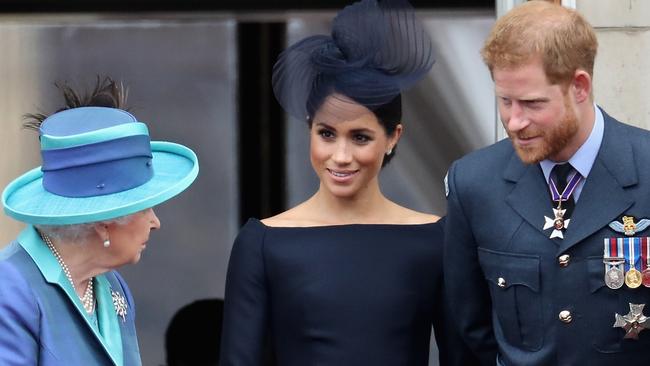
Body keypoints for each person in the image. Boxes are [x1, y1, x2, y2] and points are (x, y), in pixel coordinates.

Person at [220, 1, 477, 365]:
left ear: (392, 137)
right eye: (327, 134)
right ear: (309, 128)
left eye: (360, 137)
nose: (340, 155)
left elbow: (463, 357)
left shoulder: (436, 240)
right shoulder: (262, 242)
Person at [444, 1, 650, 365]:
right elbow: (466, 334)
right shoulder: (474, 183)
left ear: (580, 87)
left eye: (532, 103)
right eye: (504, 101)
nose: (514, 121)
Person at [0, 77, 199, 365]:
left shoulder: (110, 285)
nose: (155, 223)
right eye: (145, 208)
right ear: (105, 219)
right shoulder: (11, 288)